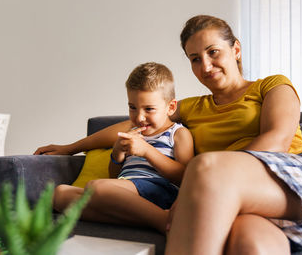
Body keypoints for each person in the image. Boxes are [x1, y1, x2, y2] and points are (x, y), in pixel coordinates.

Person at [35, 15, 302, 254]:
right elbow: (140, 122)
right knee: (250, 243)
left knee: (204, 168)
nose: (205, 66)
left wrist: (202, 182)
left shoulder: (271, 86)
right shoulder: (192, 107)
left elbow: (275, 141)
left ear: (236, 50)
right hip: (245, 203)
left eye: (213, 52)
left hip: (301, 181)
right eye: (194, 59)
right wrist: (70, 147)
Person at [50, 62, 194, 234]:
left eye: (149, 109)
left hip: (158, 190)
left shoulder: (177, 133)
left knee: (97, 187)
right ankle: (146, 219)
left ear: (170, 107)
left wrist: (147, 151)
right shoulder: (132, 132)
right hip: (125, 190)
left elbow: (185, 176)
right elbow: (115, 176)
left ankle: (164, 222)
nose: (140, 117)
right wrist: (117, 153)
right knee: (59, 195)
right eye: (132, 107)